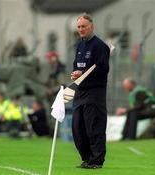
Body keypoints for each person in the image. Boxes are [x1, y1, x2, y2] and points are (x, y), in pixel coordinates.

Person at [71, 13, 110, 169]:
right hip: (81, 90)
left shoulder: (99, 46)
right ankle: (86, 158)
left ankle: (96, 161)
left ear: (91, 27)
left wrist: (84, 73)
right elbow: (77, 65)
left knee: (94, 127)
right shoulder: (80, 44)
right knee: (77, 127)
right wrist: (75, 73)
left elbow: (103, 69)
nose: (81, 29)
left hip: (95, 92)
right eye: (79, 27)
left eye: (84, 26)